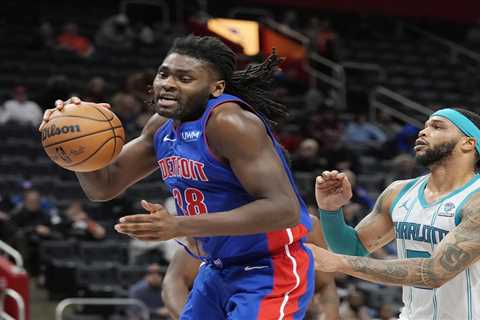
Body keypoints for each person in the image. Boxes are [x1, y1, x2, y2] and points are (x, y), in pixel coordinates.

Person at [40, 35, 314, 319]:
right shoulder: (161, 126)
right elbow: (104, 186)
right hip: (216, 269)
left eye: (185, 78)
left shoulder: (230, 123)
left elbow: (284, 209)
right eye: (163, 73)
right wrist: (75, 147)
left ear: (216, 88)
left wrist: (178, 225)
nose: (168, 83)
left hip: (268, 270)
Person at [308, 108, 480, 319]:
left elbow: (436, 272)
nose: (423, 132)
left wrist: (338, 262)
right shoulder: (398, 192)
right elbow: (353, 248)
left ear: (468, 143)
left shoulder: (476, 199)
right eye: (425, 126)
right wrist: (331, 210)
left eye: (436, 126)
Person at [161, 215, 340, 320]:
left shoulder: (305, 224)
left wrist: (330, 315)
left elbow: (325, 283)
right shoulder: (217, 224)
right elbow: (174, 279)